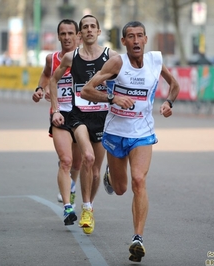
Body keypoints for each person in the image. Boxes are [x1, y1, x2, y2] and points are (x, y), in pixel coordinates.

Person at [81, 21, 180, 262]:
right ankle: (110, 176)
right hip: (116, 132)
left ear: (146, 39)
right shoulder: (117, 63)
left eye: (139, 36)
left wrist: (168, 103)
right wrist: (113, 97)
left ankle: (138, 239)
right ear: (123, 42)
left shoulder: (156, 61)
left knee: (138, 181)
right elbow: (86, 90)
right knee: (121, 188)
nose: (135, 41)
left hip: (143, 133)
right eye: (130, 37)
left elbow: (174, 86)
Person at [50, 14, 118, 234]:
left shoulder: (111, 57)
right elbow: (53, 80)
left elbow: (126, 78)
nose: (89, 30)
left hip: (102, 117)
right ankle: (85, 207)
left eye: (93, 27)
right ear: (81, 34)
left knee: (95, 171)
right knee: (87, 157)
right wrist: (57, 109)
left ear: (99, 32)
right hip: (78, 116)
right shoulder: (71, 57)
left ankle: (90, 204)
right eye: (85, 27)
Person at [31, 19, 81, 226]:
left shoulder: (87, 58)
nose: (67, 37)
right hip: (59, 114)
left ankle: (71, 185)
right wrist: (40, 88)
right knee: (66, 160)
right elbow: (45, 75)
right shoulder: (52, 59)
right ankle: (68, 209)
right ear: (58, 36)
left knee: (76, 164)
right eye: (63, 33)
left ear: (78, 36)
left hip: (83, 115)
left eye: (71, 33)